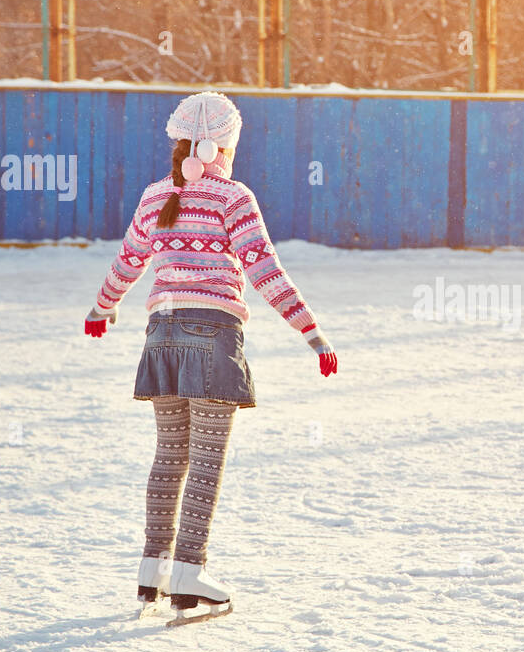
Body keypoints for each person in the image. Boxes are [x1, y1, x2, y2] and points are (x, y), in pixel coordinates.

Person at [84, 91, 337, 617]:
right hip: (213, 337)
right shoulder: (233, 197)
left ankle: (151, 571)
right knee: (206, 460)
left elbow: (129, 259)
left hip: (162, 335)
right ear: (226, 146)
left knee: (169, 457)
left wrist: (102, 308)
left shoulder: (156, 195)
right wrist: (312, 333)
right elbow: (264, 270)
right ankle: (189, 573)